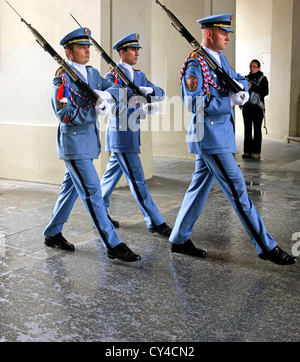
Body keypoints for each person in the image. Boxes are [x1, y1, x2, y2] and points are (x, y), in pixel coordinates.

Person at [169, 13, 297, 266]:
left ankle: (179, 238)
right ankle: (266, 246)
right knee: (238, 190)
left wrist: (241, 86)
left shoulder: (219, 59)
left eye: (228, 32)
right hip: (209, 135)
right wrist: (227, 100)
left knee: (198, 188)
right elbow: (193, 103)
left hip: (221, 134)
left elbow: (235, 78)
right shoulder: (197, 64)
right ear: (208, 33)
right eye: (222, 32)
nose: (228, 36)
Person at [43, 28, 140, 262]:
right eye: (81, 47)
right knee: (93, 192)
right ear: (68, 52)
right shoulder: (62, 78)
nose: (87, 50)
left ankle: (52, 233)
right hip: (74, 144)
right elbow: (64, 113)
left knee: (70, 190)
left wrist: (106, 97)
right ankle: (113, 243)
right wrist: (92, 110)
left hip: (88, 143)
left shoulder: (93, 73)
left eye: (88, 46)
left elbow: (117, 88)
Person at [100, 33, 172, 237]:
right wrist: (137, 106)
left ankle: (99, 213)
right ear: (122, 52)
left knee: (109, 178)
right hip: (120, 133)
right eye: (133, 49)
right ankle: (154, 220)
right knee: (137, 179)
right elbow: (114, 105)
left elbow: (160, 93)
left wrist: (145, 89)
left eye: (138, 49)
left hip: (132, 133)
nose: (137, 53)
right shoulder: (111, 76)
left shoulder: (139, 75)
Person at [242, 59, 268, 159]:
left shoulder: (263, 79)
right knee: (247, 129)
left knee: (257, 129)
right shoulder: (245, 78)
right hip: (247, 106)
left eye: (254, 66)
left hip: (258, 107)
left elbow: (265, 92)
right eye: (251, 66)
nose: (252, 68)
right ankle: (247, 151)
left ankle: (256, 152)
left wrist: (253, 87)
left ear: (259, 67)